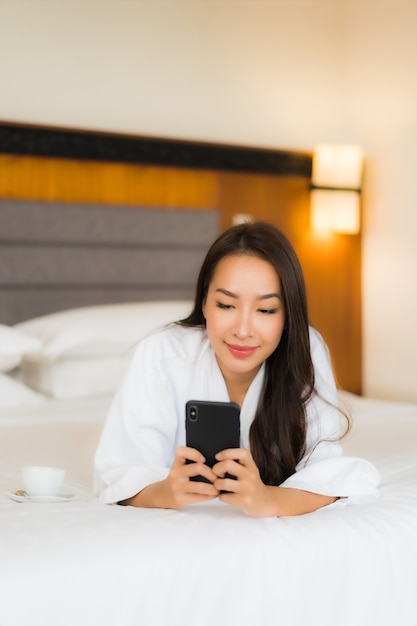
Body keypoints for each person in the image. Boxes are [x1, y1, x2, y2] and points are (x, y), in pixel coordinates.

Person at [94, 221, 379, 517]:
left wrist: (269, 500)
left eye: (266, 310)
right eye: (226, 305)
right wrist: (166, 491)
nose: (243, 330)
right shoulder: (162, 353)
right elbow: (120, 474)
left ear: (287, 315)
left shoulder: (306, 349)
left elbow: (327, 472)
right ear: (204, 302)